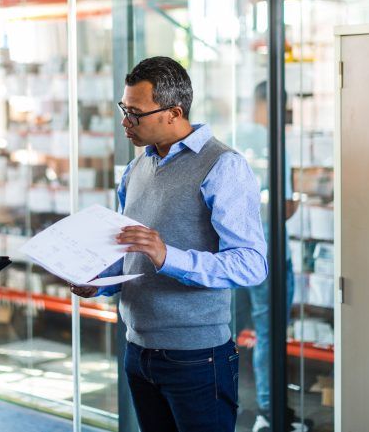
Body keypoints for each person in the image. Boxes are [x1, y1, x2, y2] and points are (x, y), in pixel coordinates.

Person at [72, 56, 268, 432]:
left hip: (197, 357)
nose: (125, 121)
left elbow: (250, 263)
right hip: (138, 349)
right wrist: (97, 281)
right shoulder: (136, 169)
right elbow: (129, 252)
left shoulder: (222, 166)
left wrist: (168, 257)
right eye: (123, 109)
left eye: (135, 113)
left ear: (174, 112)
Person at [238, 81, 310, 432]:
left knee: (269, 329)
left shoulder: (258, 140)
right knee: (268, 331)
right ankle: (269, 409)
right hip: (265, 254)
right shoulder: (266, 141)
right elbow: (272, 204)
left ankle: (273, 405)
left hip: (261, 250)